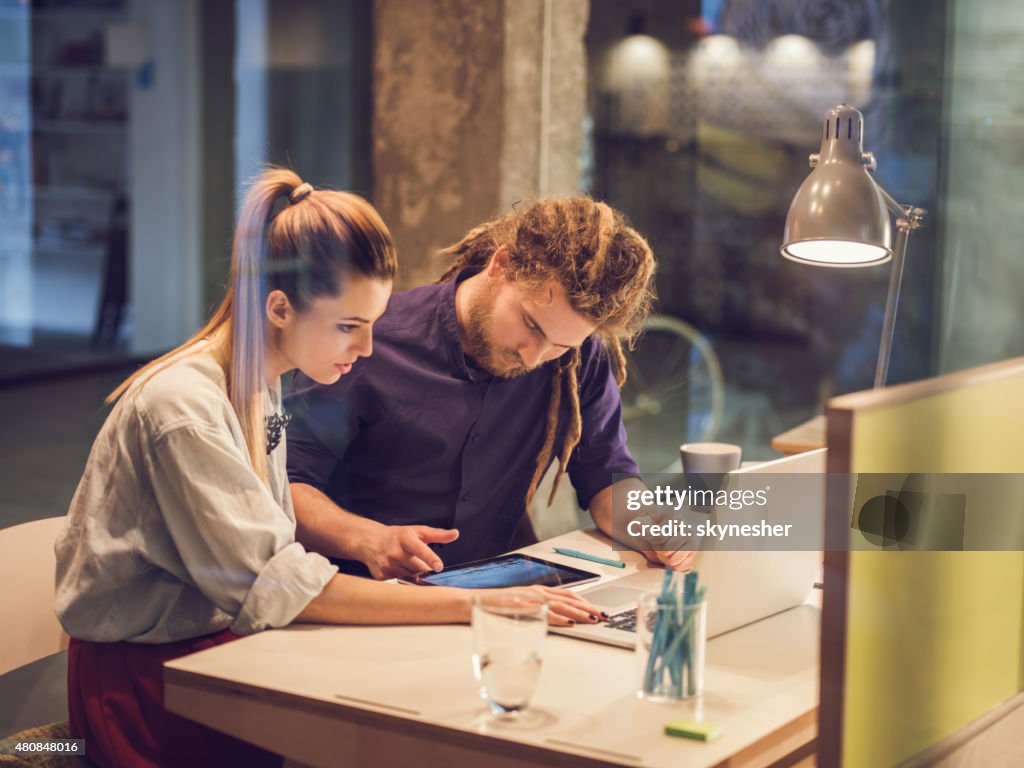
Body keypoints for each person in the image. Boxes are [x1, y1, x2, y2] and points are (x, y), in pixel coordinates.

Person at [54, 170, 600, 768]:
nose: (366, 350)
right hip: (154, 685)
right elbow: (275, 585)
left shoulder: (255, 389)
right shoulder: (183, 407)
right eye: (349, 327)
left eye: (373, 325)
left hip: (224, 656)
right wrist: (486, 604)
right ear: (280, 307)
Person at [286, 197, 694, 580]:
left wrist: (648, 523)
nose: (534, 357)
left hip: (496, 595)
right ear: (502, 264)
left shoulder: (577, 359)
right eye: (532, 326)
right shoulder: (370, 344)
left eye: (560, 345)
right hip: (360, 598)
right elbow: (288, 487)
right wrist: (368, 539)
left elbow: (607, 475)